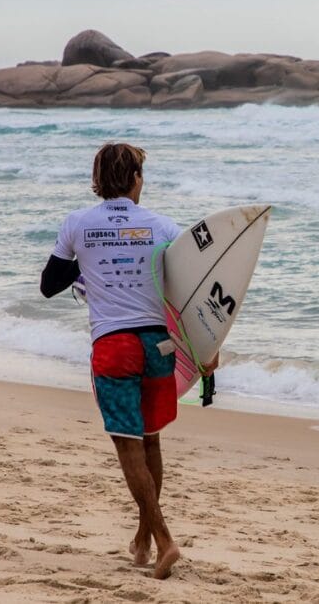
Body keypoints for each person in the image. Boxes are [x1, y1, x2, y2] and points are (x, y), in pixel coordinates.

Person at [40, 142, 213, 579]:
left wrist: (87, 268)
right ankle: (142, 538)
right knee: (150, 440)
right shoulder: (163, 227)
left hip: (114, 347)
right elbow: (191, 295)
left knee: (127, 444)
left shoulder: (77, 224)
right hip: (158, 347)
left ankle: (164, 539)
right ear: (136, 178)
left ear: (98, 179)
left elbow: (48, 285)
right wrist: (207, 349)